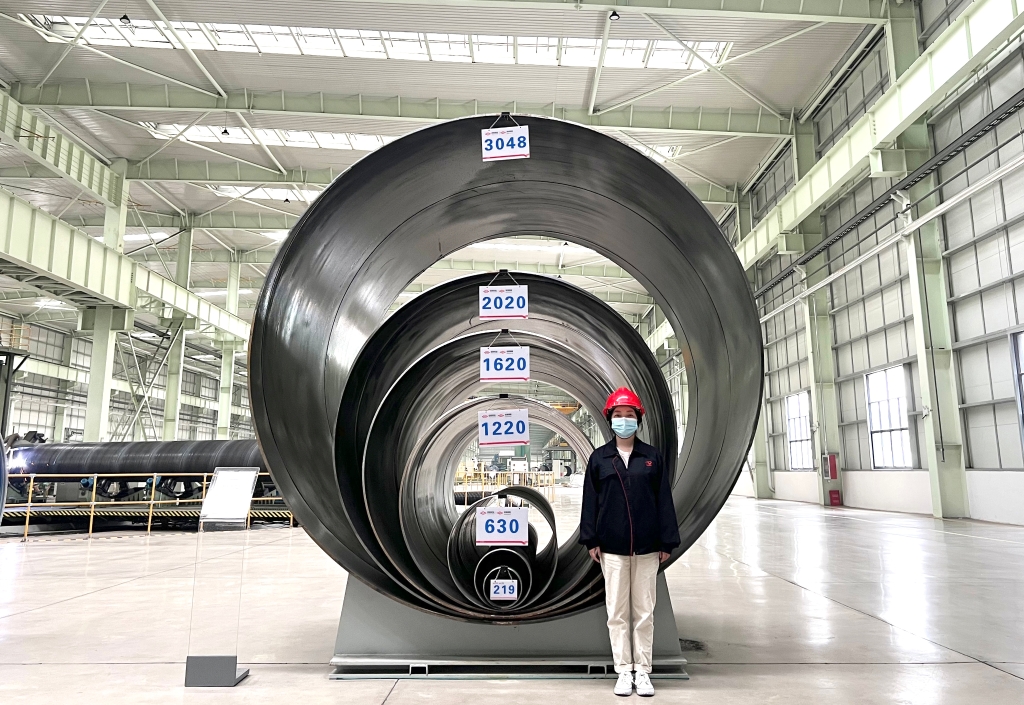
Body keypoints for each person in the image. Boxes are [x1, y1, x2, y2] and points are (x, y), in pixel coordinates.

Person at [579, 387, 680, 697]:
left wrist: (666, 540)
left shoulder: (651, 457)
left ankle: (643, 671)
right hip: (612, 548)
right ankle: (624, 670)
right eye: (619, 415)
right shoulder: (599, 458)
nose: (624, 420)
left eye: (629, 415)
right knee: (617, 612)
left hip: (648, 547)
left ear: (638, 419)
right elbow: (590, 502)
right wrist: (591, 539)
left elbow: (663, 500)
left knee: (645, 612)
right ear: (610, 420)